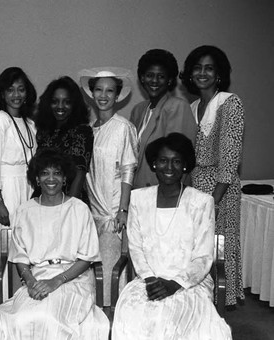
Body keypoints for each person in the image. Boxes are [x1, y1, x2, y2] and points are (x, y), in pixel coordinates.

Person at [112, 133, 232, 339]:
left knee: (179, 319)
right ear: (153, 165)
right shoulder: (138, 198)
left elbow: (203, 257)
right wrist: (150, 279)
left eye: (177, 161)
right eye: (163, 161)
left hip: (189, 282)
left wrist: (175, 284)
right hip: (147, 280)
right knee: (136, 317)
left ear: (185, 166)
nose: (169, 167)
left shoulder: (202, 202)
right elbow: (136, 248)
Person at [0, 149, 110, 339]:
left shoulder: (79, 209)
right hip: (37, 279)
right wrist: (31, 283)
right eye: (45, 173)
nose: (51, 178)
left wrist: (56, 281)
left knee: (50, 318)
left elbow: (86, 259)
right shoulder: (24, 211)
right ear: (37, 179)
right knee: (17, 320)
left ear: (65, 178)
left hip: (72, 280)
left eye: (57, 173)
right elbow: (20, 258)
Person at [181, 45, 245, 307]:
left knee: (217, 248)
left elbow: (230, 158)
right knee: (196, 247)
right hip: (195, 187)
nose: (202, 73)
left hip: (221, 188)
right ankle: (199, 299)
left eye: (209, 68)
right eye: (197, 67)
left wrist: (213, 202)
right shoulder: (193, 105)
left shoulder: (230, 102)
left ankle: (220, 303)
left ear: (219, 73)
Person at [78, 67, 138, 306]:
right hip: (92, 213)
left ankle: (115, 320)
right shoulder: (89, 129)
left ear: (117, 95)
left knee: (112, 271)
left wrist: (122, 210)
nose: (103, 95)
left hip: (113, 214)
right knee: (93, 273)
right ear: (91, 93)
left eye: (109, 91)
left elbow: (128, 170)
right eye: (99, 89)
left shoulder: (123, 127)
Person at [0, 67, 37, 305]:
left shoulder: (30, 123)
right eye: (10, 89)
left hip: (27, 191)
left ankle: (20, 304)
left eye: (21, 89)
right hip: (3, 192)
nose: (16, 94)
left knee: (24, 250)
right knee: (1, 251)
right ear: (1, 93)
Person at [130, 49, 196, 188]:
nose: (154, 80)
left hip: (165, 194)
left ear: (170, 80)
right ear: (142, 78)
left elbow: (179, 159)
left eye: (161, 76)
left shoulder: (177, 107)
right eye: (149, 75)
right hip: (138, 192)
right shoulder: (138, 110)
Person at [35, 76, 93, 204]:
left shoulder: (82, 131)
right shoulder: (44, 131)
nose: (60, 106)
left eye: (67, 102)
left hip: (70, 201)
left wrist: (68, 208)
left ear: (74, 105)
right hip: (44, 200)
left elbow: (80, 173)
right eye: (55, 101)